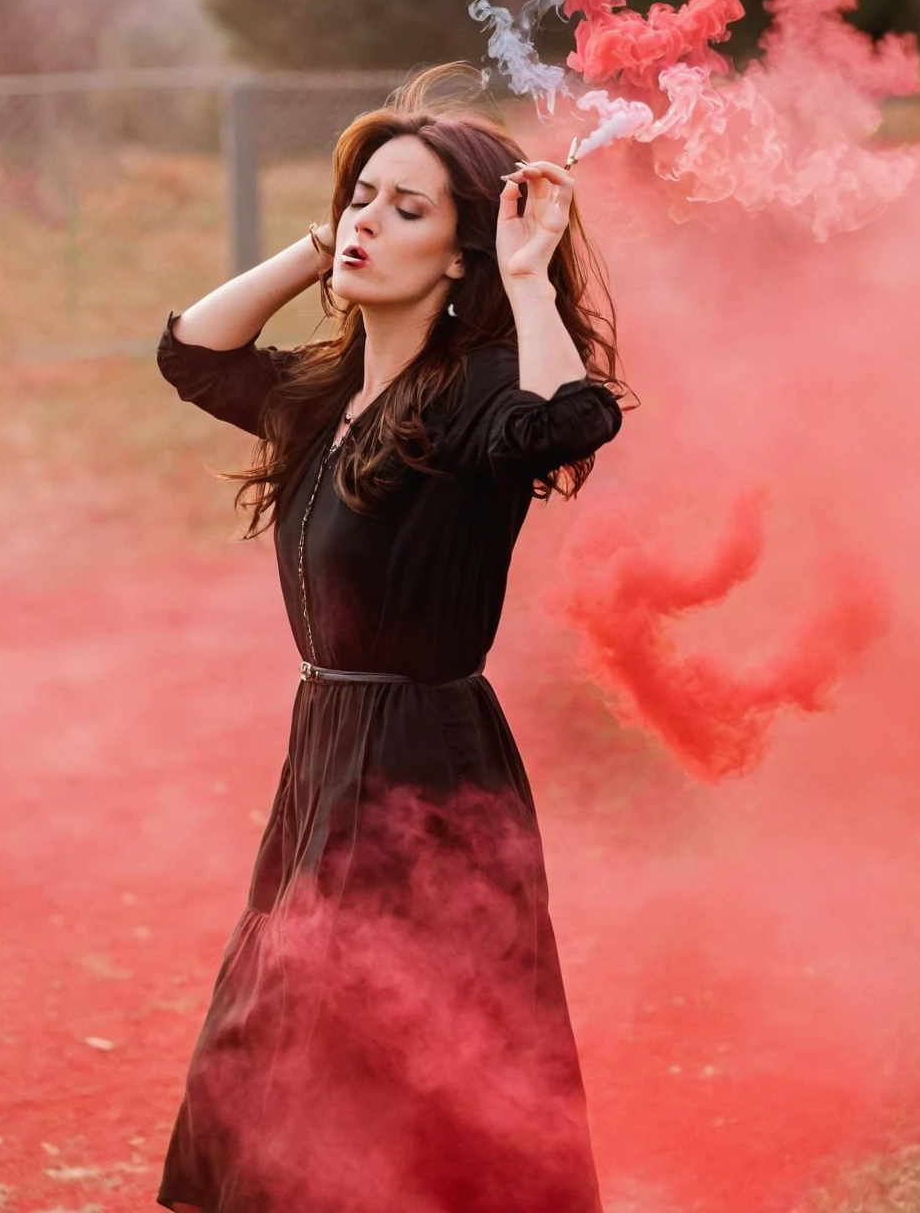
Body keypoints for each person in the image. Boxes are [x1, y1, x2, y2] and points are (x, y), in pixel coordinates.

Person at [154, 67, 627, 1213]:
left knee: (372, 1062)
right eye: (362, 196)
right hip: (327, 747)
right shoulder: (324, 396)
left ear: (460, 255)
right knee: (284, 1045)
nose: (369, 221)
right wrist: (327, 244)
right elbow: (191, 351)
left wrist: (525, 278)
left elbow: (571, 422)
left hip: (423, 765)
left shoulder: (474, 396)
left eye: (406, 210)